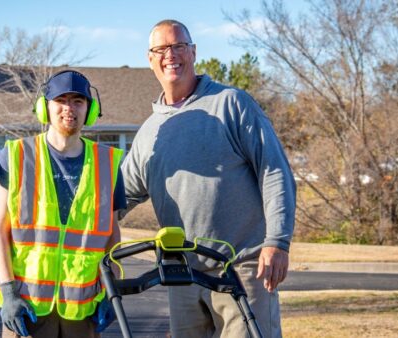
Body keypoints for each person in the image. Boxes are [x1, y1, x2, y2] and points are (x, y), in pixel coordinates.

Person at [121, 20, 296, 338]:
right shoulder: (150, 133)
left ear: (193, 52)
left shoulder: (232, 104)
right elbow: (120, 197)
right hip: (183, 277)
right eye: (161, 49)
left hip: (242, 267)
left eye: (178, 46)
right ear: (150, 59)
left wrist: (277, 243)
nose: (170, 55)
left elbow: (274, 171)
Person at [0, 70, 125, 338]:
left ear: (90, 108)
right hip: (26, 306)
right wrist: (8, 293)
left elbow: (112, 235)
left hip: (83, 308)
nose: (69, 108)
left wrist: (113, 291)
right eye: (61, 100)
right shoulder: (15, 156)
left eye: (78, 101)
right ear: (45, 107)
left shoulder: (108, 164)